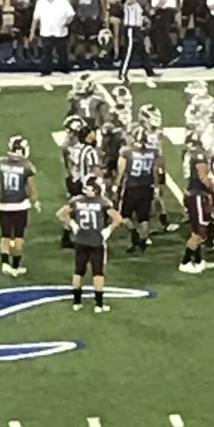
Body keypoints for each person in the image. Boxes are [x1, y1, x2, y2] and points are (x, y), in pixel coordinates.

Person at [58, 177, 122, 313]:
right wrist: (108, 230)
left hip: (80, 240)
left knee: (78, 271)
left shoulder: (77, 201)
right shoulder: (103, 202)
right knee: (98, 273)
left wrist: (73, 224)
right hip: (96, 241)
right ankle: (98, 305)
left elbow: (62, 214)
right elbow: (118, 218)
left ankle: (77, 302)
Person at [0, 135, 41, 277]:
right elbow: (31, 187)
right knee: (18, 236)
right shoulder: (26, 166)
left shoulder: (0, 163)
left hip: (4, 205)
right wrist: (36, 202)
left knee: (5, 235)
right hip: (20, 205)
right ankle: (15, 266)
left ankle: (5, 264)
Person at [116, 123, 159, 253]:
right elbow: (155, 170)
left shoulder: (127, 152)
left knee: (124, 216)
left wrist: (117, 186)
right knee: (144, 218)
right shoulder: (153, 152)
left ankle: (135, 235)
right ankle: (143, 240)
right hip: (147, 186)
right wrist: (156, 185)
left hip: (131, 187)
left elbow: (121, 172)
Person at [180, 127, 214, 273]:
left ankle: (199, 260)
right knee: (199, 231)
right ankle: (186, 261)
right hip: (198, 195)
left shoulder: (189, 153)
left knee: (199, 229)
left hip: (193, 193)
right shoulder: (199, 155)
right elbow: (203, 176)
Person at [30, 0, 75, 75]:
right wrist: (32, 32)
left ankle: (64, 69)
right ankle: (46, 70)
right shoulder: (41, 2)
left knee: (62, 52)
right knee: (46, 52)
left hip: (60, 31)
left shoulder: (62, 0)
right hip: (46, 31)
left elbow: (71, 14)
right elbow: (35, 18)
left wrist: (66, 23)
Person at [119, 0, 154, 80]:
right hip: (130, 28)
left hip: (137, 28)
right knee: (128, 51)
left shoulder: (138, 2)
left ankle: (149, 71)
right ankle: (122, 72)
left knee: (142, 50)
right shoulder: (128, 0)